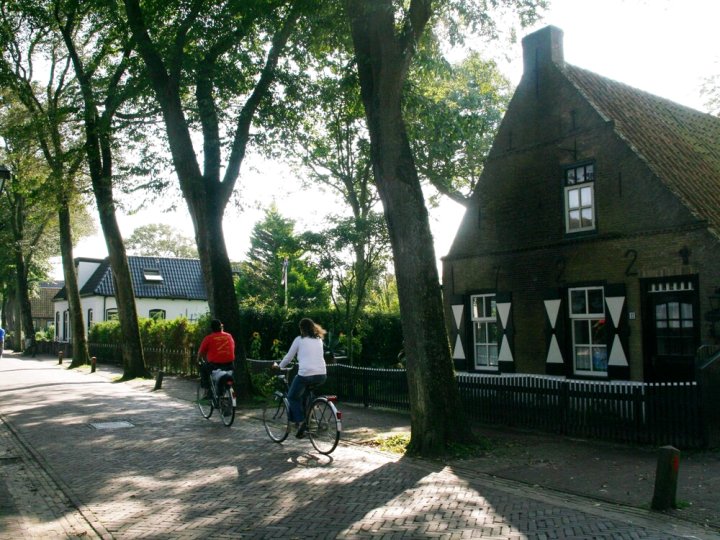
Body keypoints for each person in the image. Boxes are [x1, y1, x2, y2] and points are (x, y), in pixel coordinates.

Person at [275, 318, 328, 438]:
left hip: (306, 374)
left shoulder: (299, 340)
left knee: (292, 397)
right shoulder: (319, 339)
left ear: (302, 329)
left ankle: (301, 422)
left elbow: (289, 357)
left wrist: (279, 367)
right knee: (304, 395)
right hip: (322, 375)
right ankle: (311, 419)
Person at [197, 319, 235, 399]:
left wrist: (198, 360)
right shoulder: (229, 336)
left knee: (203, 368)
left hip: (215, 366)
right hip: (230, 365)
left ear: (212, 329)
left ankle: (207, 391)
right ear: (221, 327)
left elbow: (200, 352)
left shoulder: (208, 338)